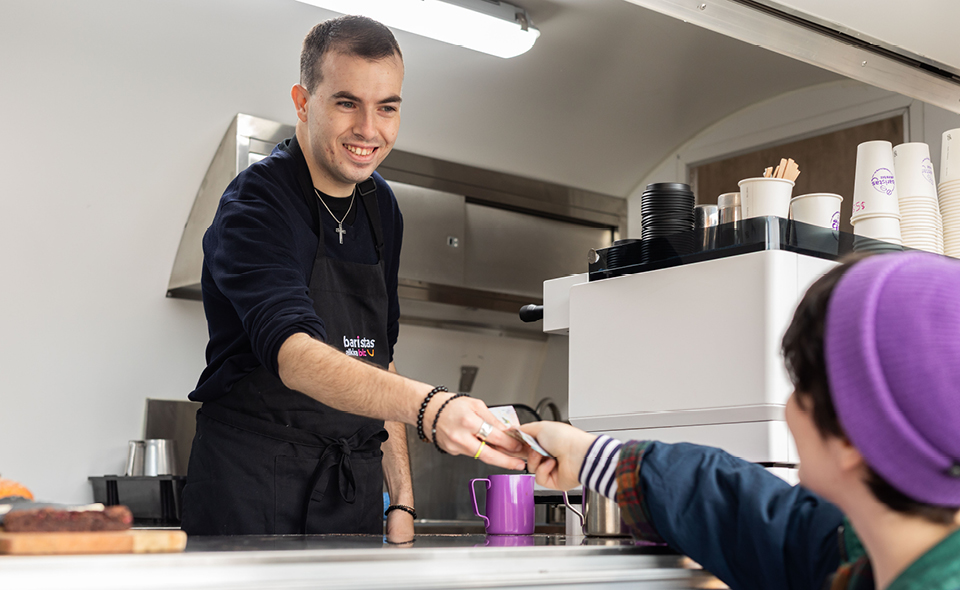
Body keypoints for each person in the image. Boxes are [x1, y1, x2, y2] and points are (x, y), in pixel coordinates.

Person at [181, 16, 524, 538]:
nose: (369, 129)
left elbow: (377, 358)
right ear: (302, 101)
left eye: (387, 107)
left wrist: (402, 504)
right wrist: (431, 407)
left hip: (354, 489)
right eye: (347, 103)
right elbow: (294, 356)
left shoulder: (380, 206)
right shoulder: (257, 204)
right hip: (253, 486)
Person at [523, 252, 960, 590]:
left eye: (800, 385)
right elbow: (764, 522)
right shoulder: (871, 550)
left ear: (848, 437)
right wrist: (588, 454)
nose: (788, 407)